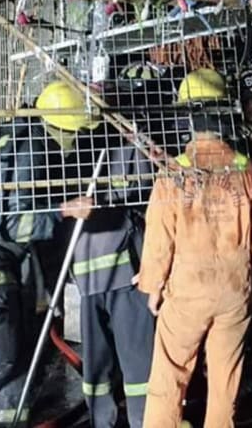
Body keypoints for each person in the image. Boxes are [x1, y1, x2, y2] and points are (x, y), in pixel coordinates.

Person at [0, 80, 97, 426]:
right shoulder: (31, 149)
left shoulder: (25, 138)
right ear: (62, 125)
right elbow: (10, 224)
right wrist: (64, 210)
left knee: (17, 362)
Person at [138, 68, 252, 428]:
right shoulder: (250, 171)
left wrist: (153, 286)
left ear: (187, 118)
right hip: (234, 292)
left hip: (186, 293)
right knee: (224, 385)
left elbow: (159, 238)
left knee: (169, 379)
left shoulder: (173, 174)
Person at [63, 122, 155, 428]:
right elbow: (143, 194)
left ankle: (102, 421)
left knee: (97, 361)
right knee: (138, 360)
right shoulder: (130, 143)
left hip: (88, 272)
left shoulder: (72, 150)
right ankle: (143, 421)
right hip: (124, 272)